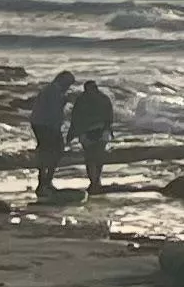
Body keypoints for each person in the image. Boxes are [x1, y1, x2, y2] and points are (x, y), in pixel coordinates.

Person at [27, 71, 77, 201]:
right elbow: (53, 111)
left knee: (46, 151)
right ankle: (45, 182)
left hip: (39, 123)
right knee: (54, 151)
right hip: (46, 125)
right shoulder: (54, 91)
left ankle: (44, 182)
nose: (68, 87)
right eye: (68, 83)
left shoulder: (51, 89)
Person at [66, 75, 118, 197]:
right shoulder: (88, 100)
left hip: (97, 130)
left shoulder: (95, 99)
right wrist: (72, 133)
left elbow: (109, 117)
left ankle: (95, 180)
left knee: (96, 157)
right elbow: (75, 119)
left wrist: (108, 129)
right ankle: (94, 181)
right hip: (89, 131)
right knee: (92, 157)